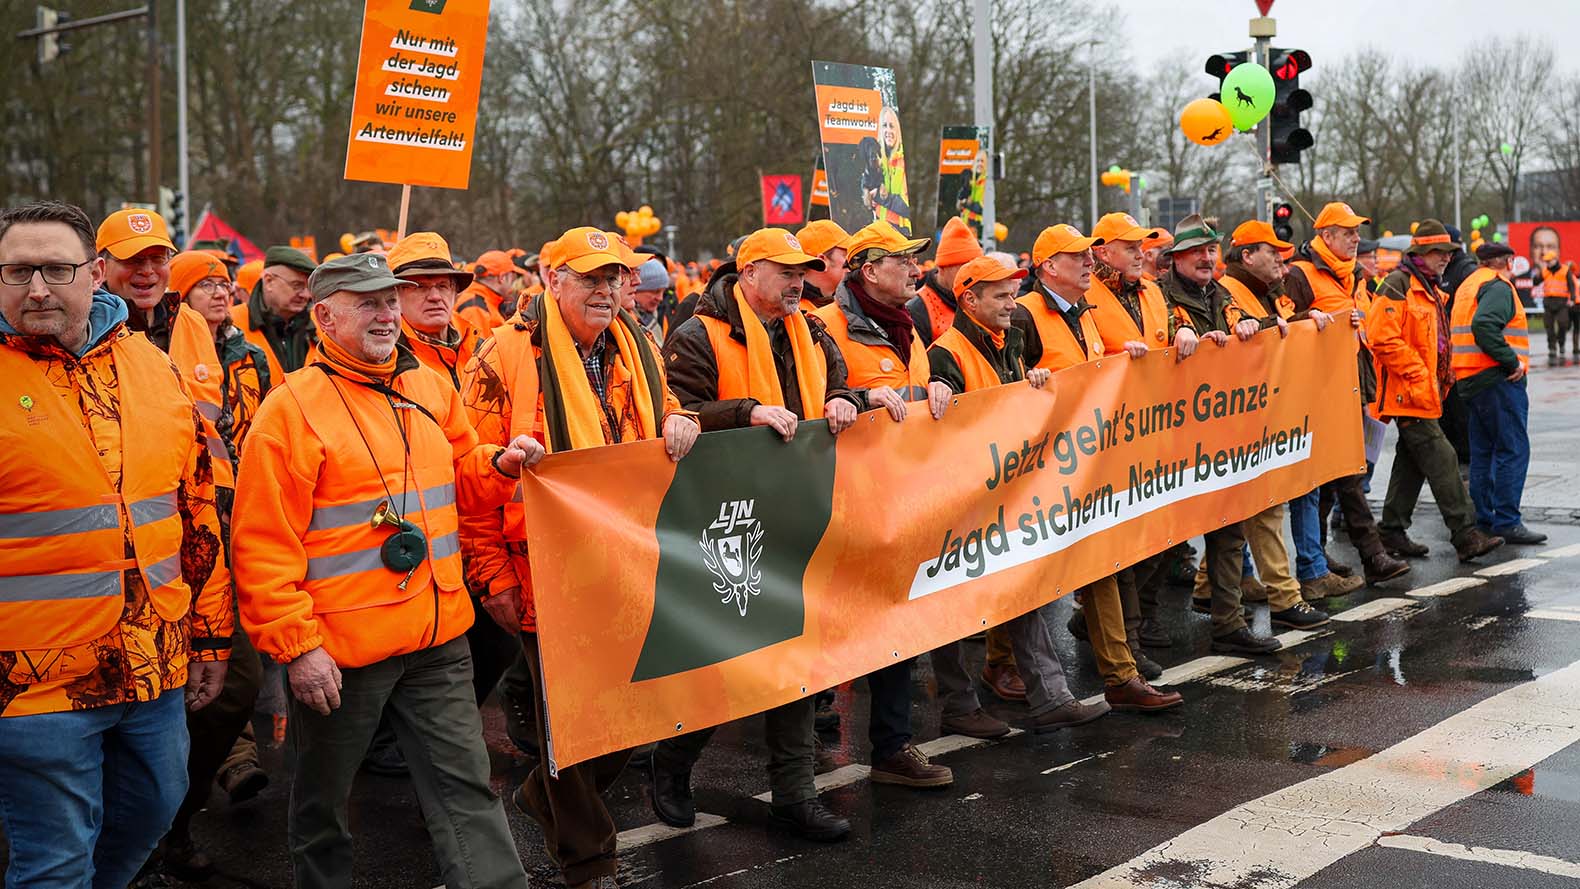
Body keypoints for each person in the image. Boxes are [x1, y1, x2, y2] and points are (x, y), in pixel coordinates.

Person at [232, 253, 530, 889]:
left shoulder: (428, 386)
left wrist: (500, 467)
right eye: (369, 302)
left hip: (437, 637)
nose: (387, 313)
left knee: (466, 792)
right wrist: (298, 647)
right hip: (341, 655)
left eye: (391, 300)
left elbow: (463, 480)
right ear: (325, 315)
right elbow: (261, 545)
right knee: (323, 803)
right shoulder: (289, 411)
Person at [0, 200, 232, 888]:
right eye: (18, 270)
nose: (37, 287)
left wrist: (212, 636)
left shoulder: (148, 364)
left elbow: (193, 510)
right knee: (54, 857)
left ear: (93, 274)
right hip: (33, 682)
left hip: (153, 662)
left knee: (153, 812)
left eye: (56, 268)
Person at [461, 226, 697, 888]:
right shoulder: (499, 358)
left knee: (632, 715)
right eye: (590, 276)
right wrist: (493, 578)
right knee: (576, 724)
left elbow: (664, 411)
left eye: (614, 277)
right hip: (542, 575)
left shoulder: (637, 347)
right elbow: (471, 481)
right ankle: (589, 861)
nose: (606, 289)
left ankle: (544, 795)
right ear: (549, 277)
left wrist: (683, 418)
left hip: (628, 565)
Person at [654, 227, 861, 842]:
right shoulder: (696, 335)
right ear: (747, 275)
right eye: (783, 270)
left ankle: (796, 795)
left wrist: (847, 397)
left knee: (794, 654)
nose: (798, 281)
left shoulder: (813, 331)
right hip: (726, 523)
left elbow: (839, 380)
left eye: (802, 270)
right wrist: (744, 412)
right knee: (725, 661)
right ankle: (674, 762)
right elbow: (674, 411)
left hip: (795, 515)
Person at [928, 250, 1122, 729]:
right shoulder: (946, 353)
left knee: (1023, 589)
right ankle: (963, 704)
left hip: (1005, 495)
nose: (1012, 303)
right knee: (947, 604)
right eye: (1001, 295)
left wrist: (1031, 380)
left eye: (1014, 293)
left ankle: (1048, 695)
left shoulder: (1010, 340)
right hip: (963, 501)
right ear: (969, 298)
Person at [809, 220, 960, 785]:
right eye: (903, 261)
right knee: (823, 636)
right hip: (839, 510)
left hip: (898, 505)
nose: (915, 270)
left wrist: (936, 389)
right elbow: (810, 400)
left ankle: (893, 748)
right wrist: (852, 395)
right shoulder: (825, 324)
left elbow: (914, 398)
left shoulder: (907, 328)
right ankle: (790, 768)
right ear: (869, 271)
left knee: (898, 627)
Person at [151, 250, 276, 879]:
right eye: (206, 285)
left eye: (227, 284)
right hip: (163, 539)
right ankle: (149, 831)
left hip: (233, 532)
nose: (222, 293)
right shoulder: (152, 354)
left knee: (235, 687)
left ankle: (176, 815)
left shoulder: (252, 357)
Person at [1158, 215, 1285, 655]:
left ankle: (1227, 623)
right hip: (1170, 436)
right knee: (1163, 538)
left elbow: (1243, 321)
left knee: (1229, 530)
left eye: (1211, 251)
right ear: (1175, 260)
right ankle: (1133, 627)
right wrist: (1181, 334)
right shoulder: (1160, 297)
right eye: (1196, 252)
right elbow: (1158, 337)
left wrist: (1263, 327)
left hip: (1221, 432)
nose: (1206, 258)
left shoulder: (1223, 293)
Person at [1214, 221, 1341, 627]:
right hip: (1241, 417)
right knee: (1262, 507)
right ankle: (1285, 599)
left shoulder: (1269, 292)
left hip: (1262, 414)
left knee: (1235, 511)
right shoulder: (1231, 292)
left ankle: (1208, 589)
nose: (1281, 260)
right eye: (1272, 252)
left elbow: (1281, 324)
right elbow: (1240, 338)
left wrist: (1310, 317)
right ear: (1247, 256)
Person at [1283, 203, 1411, 587]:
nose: (1357, 239)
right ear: (1326, 237)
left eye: (1357, 232)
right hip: (1319, 390)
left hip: (1354, 383)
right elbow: (1286, 326)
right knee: (1347, 473)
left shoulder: (1354, 276)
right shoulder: (1300, 274)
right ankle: (1371, 556)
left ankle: (1319, 558)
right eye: (1348, 232)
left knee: (1338, 476)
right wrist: (1311, 323)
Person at [1366, 220, 1504, 563]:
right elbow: (1381, 336)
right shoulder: (1399, 284)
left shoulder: (1427, 287)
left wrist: (1440, 377)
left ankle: (1392, 530)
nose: (1445, 258)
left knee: (1411, 462)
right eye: (1438, 252)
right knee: (1443, 458)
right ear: (1421, 254)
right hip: (1408, 393)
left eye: (1448, 253)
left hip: (1424, 392)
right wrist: (1417, 373)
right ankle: (1465, 533)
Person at [1452, 241, 1547, 546]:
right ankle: (1507, 520)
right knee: (1512, 449)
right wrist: (1511, 361)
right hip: (1498, 379)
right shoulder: (1498, 286)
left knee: (1483, 451)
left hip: (1470, 378)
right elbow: (1485, 326)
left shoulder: (1469, 285)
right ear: (1506, 261)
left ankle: (1487, 517)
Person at [232, 245, 318, 383]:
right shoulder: (231, 325)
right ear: (269, 281)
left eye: (309, 287)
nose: (306, 295)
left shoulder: (320, 327)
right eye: (297, 285)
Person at [906, 216, 982, 343]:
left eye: (975, 267)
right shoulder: (916, 310)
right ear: (942, 268)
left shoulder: (979, 300)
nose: (971, 275)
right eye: (964, 267)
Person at [457, 249, 526, 334]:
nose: (513, 285)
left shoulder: (487, 301)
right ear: (502, 278)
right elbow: (477, 347)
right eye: (513, 279)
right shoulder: (476, 308)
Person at [795, 219, 852, 310]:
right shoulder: (795, 312)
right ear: (822, 260)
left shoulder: (839, 303)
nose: (853, 261)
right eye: (846, 255)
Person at [1536, 250, 1576, 358]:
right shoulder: (1545, 271)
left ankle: (1561, 343)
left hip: (1561, 302)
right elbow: (1535, 282)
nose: (1547, 263)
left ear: (1555, 260)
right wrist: (1538, 271)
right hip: (1548, 302)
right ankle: (1552, 348)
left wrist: (1572, 298)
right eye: (1546, 261)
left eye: (1549, 261)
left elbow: (1571, 285)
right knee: (1549, 327)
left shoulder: (1565, 270)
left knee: (1563, 324)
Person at [632, 256, 671, 342]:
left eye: (663, 292)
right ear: (636, 289)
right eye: (655, 291)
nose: (660, 298)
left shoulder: (655, 317)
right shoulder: (630, 323)